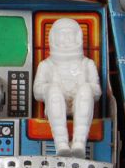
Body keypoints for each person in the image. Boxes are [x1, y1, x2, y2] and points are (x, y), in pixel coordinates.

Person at [33, 18, 101, 157]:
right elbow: (37, 91)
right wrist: (50, 88)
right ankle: (61, 144)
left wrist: (83, 88)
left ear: (77, 37)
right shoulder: (46, 65)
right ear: (54, 38)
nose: (66, 38)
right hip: (55, 104)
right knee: (53, 91)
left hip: (82, 103)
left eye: (70, 34)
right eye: (62, 34)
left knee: (86, 90)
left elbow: (97, 91)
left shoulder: (87, 64)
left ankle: (79, 143)